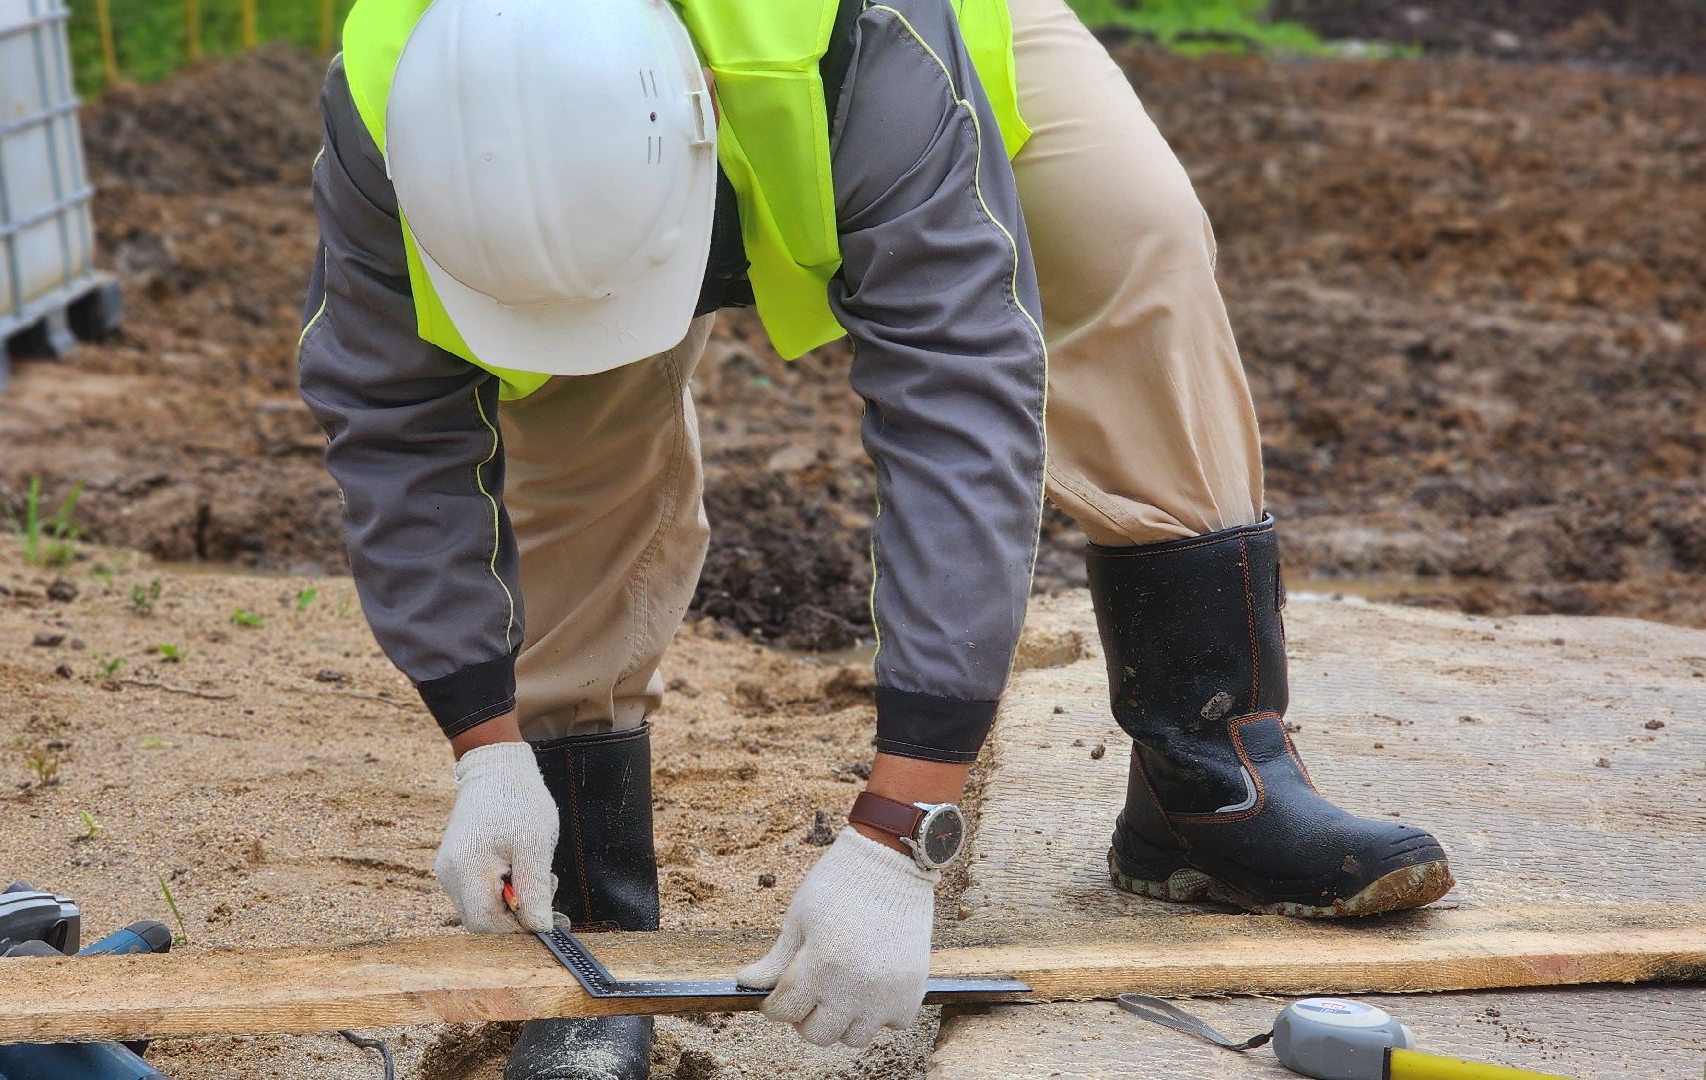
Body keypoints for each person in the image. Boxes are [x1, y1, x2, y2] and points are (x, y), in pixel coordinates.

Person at [297, 0, 1455, 1074]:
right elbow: (393, 421)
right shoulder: (391, 97)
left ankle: (1208, 775)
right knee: (570, 423)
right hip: (571, 132)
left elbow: (955, 394)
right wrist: (485, 743)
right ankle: (588, 923)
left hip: (902, 47)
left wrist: (900, 836)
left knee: (1124, 230)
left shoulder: (866, 47)